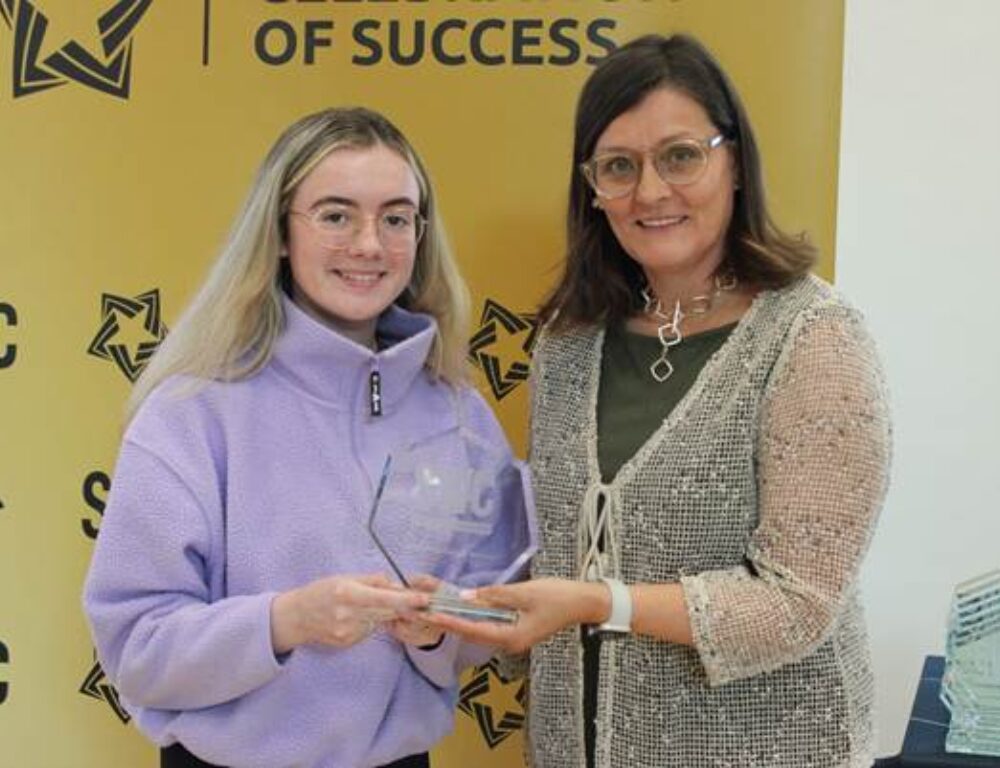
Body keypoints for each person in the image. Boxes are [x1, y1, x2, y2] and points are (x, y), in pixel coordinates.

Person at [426, 34, 892, 768]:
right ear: (592, 188)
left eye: (680, 156)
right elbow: (556, 552)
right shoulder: (568, 340)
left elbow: (799, 602)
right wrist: (456, 608)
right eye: (619, 166)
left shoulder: (813, 338)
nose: (649, 192)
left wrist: (599, 603)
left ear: (734, 163)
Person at [83, 107, 511, 768]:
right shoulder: (191, 412)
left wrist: (438, 632)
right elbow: (135, 646)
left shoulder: (459, 415)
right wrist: (285, 622)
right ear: (280, 232)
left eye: (396, 218)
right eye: (336, 215)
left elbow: (495, 618)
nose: (369, 245)